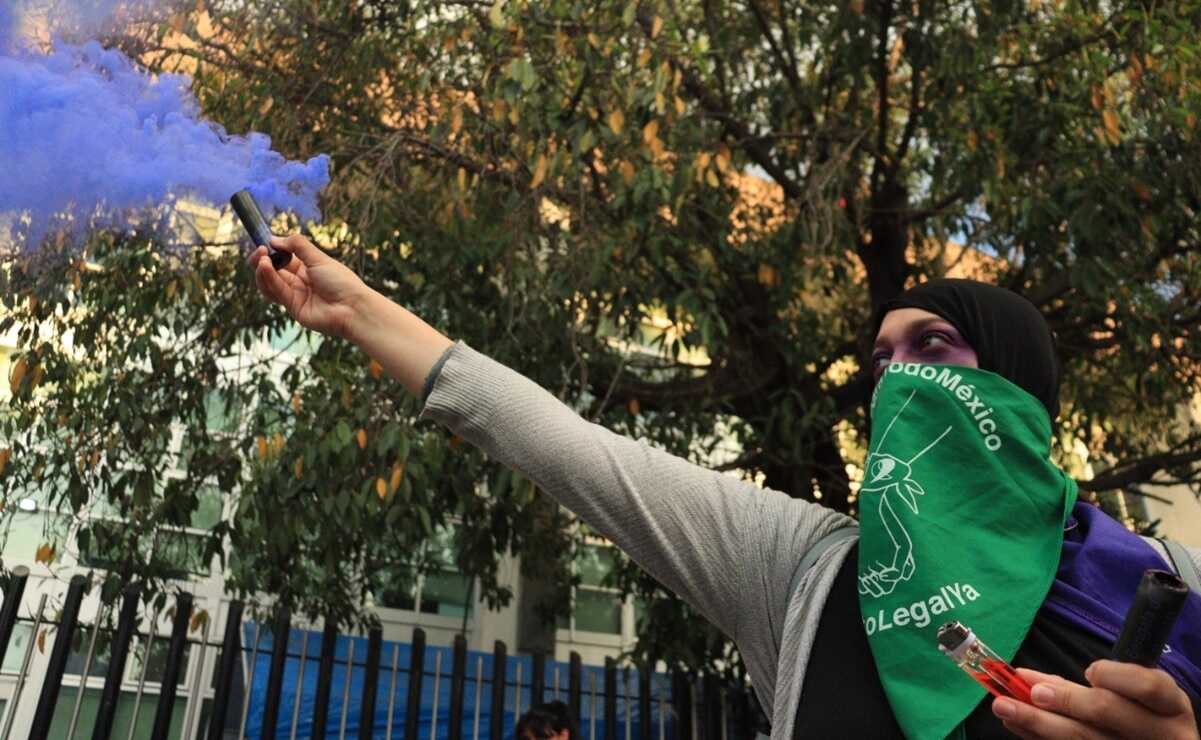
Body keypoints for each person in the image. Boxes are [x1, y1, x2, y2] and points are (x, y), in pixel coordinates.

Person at [249, 235, 1201, 739]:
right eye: (879, 360)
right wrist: (357, 309)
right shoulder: (803, 570)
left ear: (1017, 387)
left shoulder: (1168, 579)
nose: (896, 378)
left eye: (932, 348)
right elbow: (570, 449)